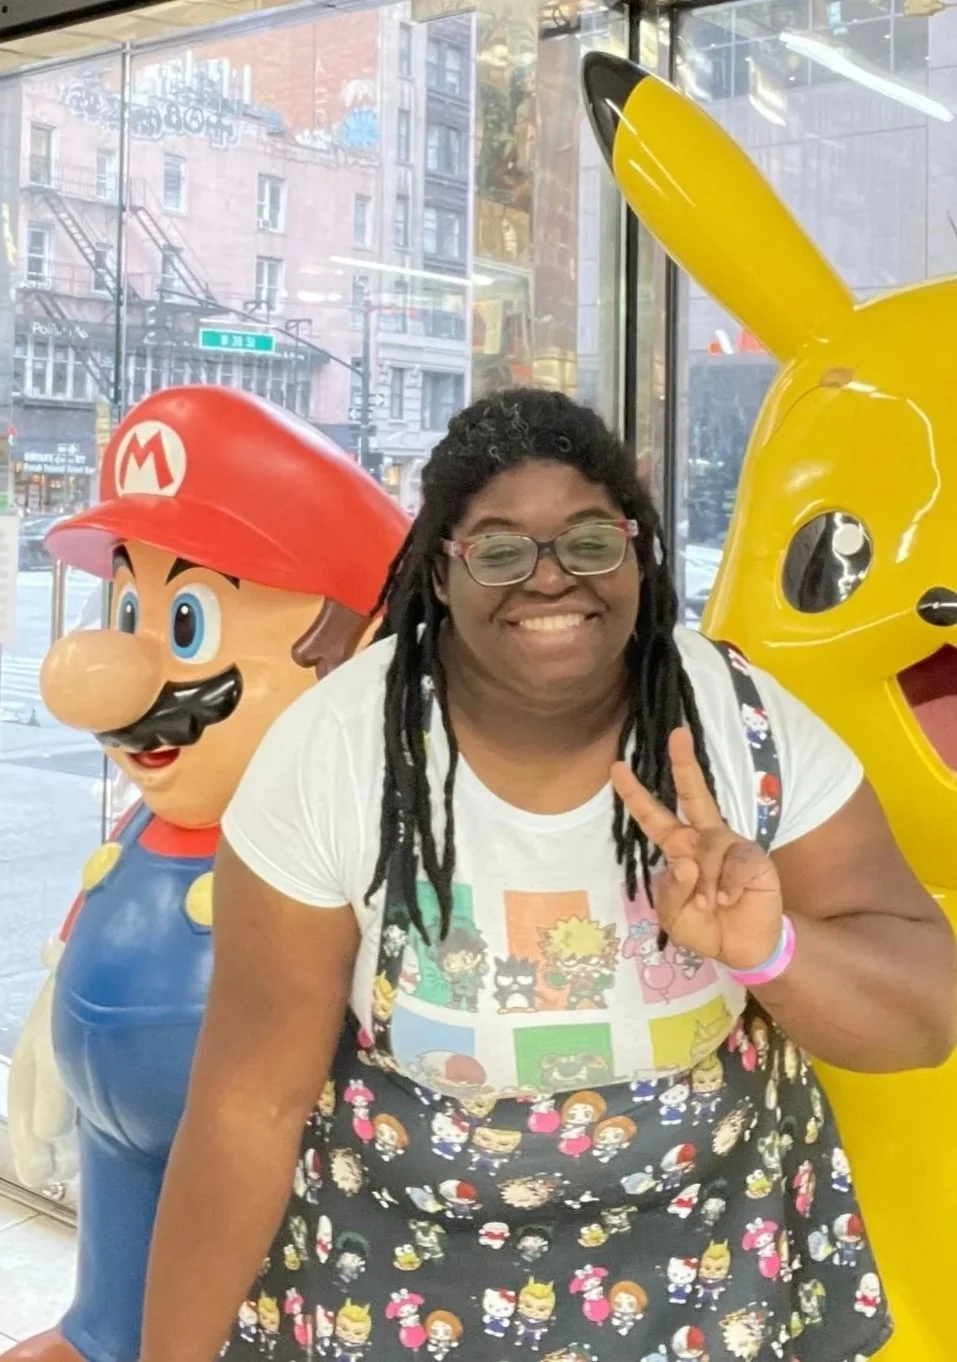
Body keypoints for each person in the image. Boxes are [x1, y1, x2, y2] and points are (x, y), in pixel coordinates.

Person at [141, 388, 955, 1362]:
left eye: (587, 541)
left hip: (707, 1297)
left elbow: (927, 1017)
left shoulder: (741, 726)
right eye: (498, 549)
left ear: (637, 552)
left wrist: (772, 950)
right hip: (399, 1303)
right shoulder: (341, 752)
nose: (549, 580)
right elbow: (245, 1110)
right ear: (442, 573)